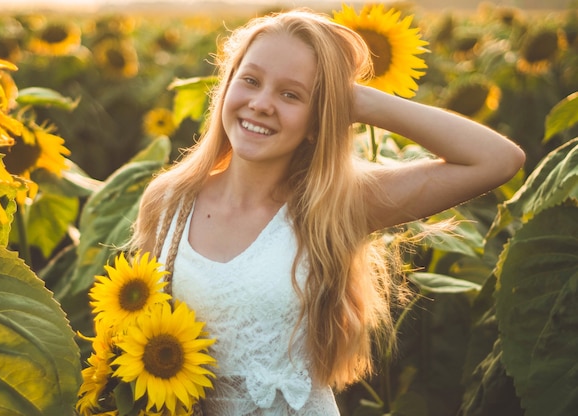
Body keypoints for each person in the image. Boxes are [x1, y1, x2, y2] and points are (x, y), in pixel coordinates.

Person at [129, 8, 525, 415]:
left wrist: (357, 99)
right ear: (227, 85)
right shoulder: (170, 200)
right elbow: (139, 328)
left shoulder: (334, 204)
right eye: (250, 80)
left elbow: (497, 159)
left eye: (291, 94)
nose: (262, 104)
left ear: (320, 118)